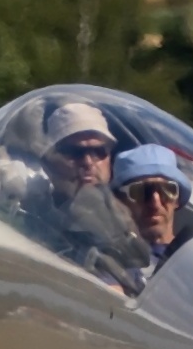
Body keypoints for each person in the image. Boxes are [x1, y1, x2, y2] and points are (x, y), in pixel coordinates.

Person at [19, 100, 132, 268]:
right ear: (48, 162)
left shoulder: (131, 216)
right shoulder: (30, 218)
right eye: (75, 152)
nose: (88, 162)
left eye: (99, 151)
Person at [110, 144, 193, 287]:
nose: (155, 203)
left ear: (177, 198)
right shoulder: (111, 263)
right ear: (120, 202)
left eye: (167, 190)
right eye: (141, 192)